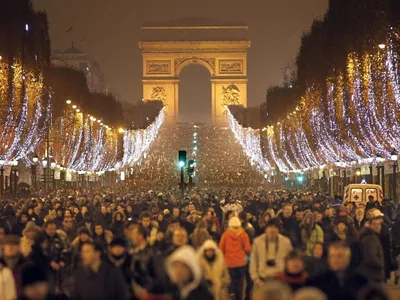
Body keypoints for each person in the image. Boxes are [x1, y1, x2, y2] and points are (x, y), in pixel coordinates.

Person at [250, 218, 293, 289]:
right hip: (262, 280)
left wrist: (287, 278)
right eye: (270, 227)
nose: (272, 230)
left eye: (275, 227)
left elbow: (290, 261)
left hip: (280, 281)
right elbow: (253, 262)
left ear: (279, 229)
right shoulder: (258, 242)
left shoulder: (286, 242)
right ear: (266, 228)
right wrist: (256, 280)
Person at [219, 216, 251, 300]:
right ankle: (239, 297)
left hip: (229, 263)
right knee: (240, 283)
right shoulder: (243, 234)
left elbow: (221, 249)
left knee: (231, 282)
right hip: (241, 262)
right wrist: (248, 259)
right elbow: (248, 249)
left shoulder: (226, 235)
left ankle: (232, 296)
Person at [358, 210, 385, 283]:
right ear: (369, 224)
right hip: (372, 275)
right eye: (375, 224)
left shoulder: (371, 235)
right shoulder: (370, 238)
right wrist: (380, 265)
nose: (377, 226)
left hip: (370, 274)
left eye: (379, 224)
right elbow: (371, 258)